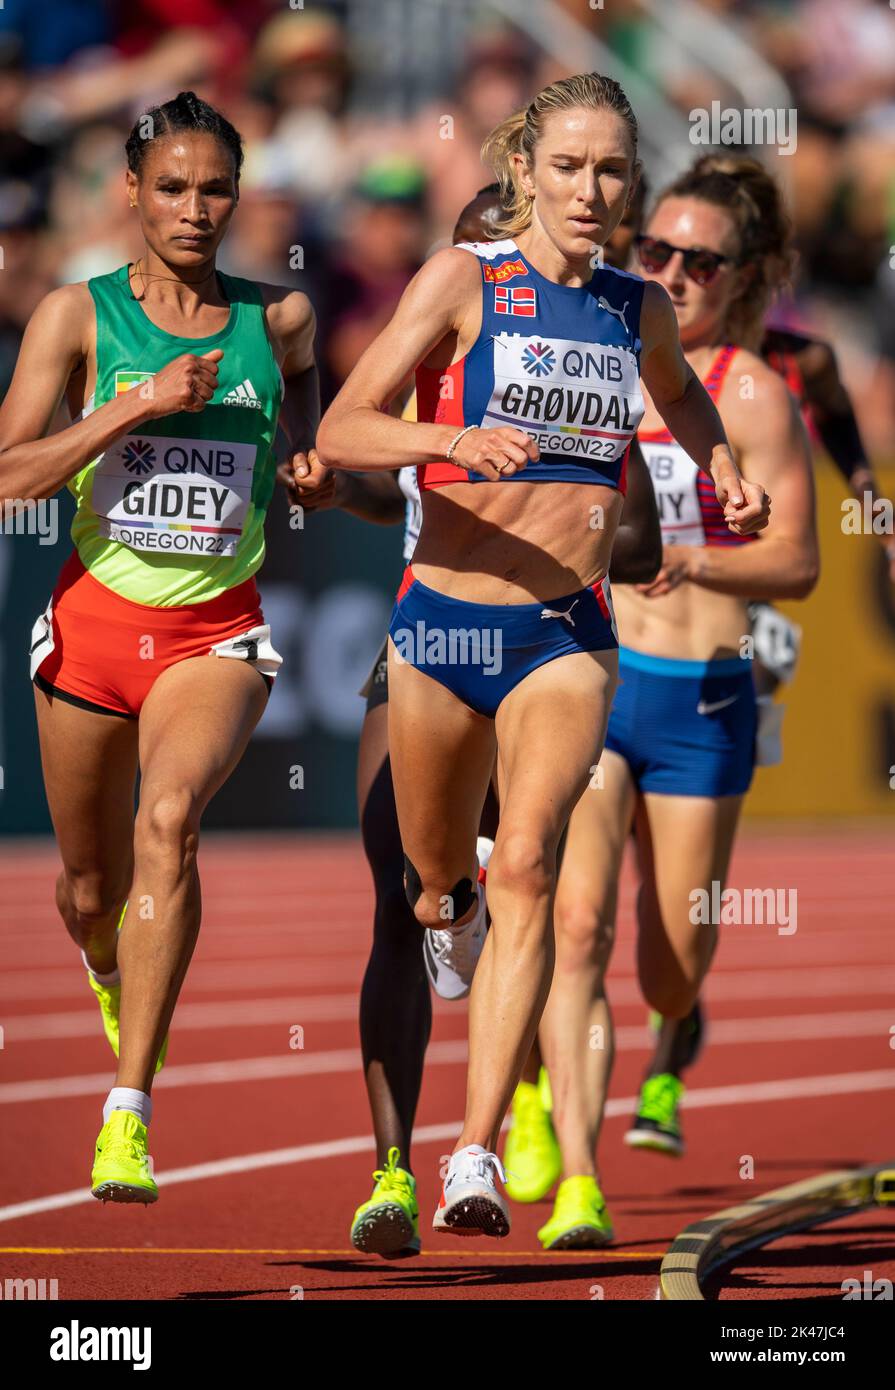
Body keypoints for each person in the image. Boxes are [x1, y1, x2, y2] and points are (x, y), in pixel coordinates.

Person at [315, 71, 768, 1240]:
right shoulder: (462, 277)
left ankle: (471, 1154)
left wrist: (716, 467)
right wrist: (448, 436)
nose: (591, 190)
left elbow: (681, 398)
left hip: (564, 634)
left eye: (612, 170)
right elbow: (343, 427)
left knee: (526, 869)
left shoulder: (636, 307)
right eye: (567, 167)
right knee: (438, 884)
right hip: (441, 628)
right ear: (524, 168)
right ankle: (441, 899)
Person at [1, 91, 318, 1203]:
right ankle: (104, 959)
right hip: (89, 633)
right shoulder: (73, 318)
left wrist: (314, 472)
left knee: (168, 824)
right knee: (91, 886)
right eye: (173, 187)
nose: (195, 208)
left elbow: (311, 444)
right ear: (131, 191)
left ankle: (127, 1109)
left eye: (216, 188)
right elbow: (8, 477)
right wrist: (126, 410)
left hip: (212, 634)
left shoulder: (277, 322)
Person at [531, 158, 818, 1250]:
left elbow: (797, 562)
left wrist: (695, 564)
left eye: (701, 262)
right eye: (656, 253)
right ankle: (576, 1178)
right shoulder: (597, 356)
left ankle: (679, 1015)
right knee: (574, 922)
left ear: (742, 280)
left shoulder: (748, 393)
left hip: (700, 698)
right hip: (596, 680)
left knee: (670, 955)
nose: (673, 275)